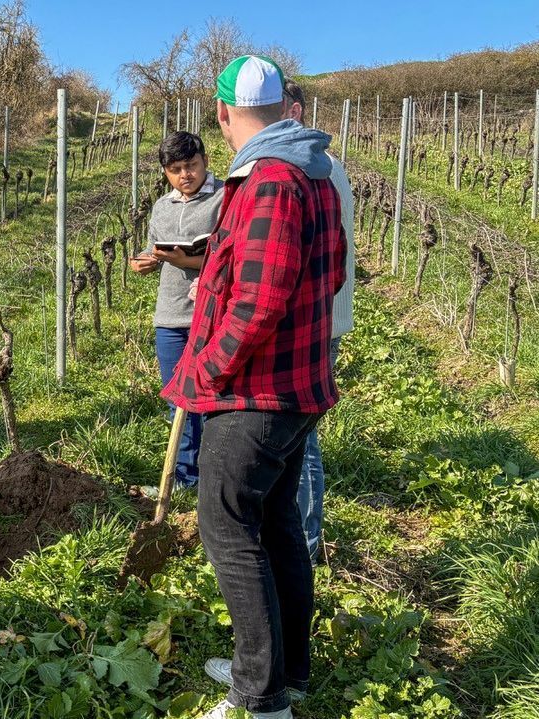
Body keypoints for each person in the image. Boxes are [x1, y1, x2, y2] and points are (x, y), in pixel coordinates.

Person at [161, 56, 345, 719]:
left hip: (255, 394)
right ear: (283, 105)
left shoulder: (269, 180)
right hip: (298, 385)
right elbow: (331, 273)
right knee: (276, 523)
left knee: (228, 527)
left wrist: (207, 370)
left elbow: (259, 302)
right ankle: (283, 670)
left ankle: (261, 699)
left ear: (220, 113)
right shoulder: (314, 173)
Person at [284, 78, 356, 562]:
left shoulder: (313, 167)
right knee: (299, 433)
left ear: (293, 111)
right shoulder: (324, 163)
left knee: (301, 437)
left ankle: (306, 544)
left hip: (312, 321)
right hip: (323, 317)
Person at [129, 131, 223, 492]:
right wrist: (146, 260)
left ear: (205, 161)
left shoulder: (225, 198)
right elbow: (154, 247)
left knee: (213, 398)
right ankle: (185, 476)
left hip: (212, 315)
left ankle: (215, 476)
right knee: (177, 397)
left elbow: (234, 255)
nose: (185, 175)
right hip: (170, 315)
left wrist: (190, 261)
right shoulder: (162, 206)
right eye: (175, 169)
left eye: (191, 165)